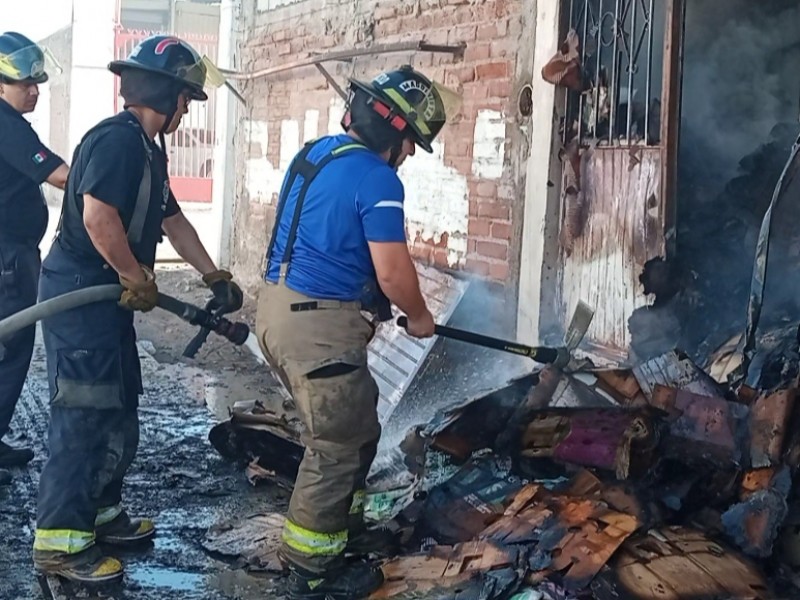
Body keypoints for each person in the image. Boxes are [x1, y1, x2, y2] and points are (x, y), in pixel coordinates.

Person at [32, 34, 243, 583]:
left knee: (118, 402)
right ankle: (60, 541)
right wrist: (134, 275)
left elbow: (171, 218)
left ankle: (100, 513)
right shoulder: (118, 142)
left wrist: (212, 274)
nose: (186, 111)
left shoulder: (148, 147)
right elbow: (99, 218)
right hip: (83, 294)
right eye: (187, 100)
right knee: (83, 412)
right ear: (170, 95)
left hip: (110, 298)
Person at [256, 65, 457, 599]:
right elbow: (393, 271)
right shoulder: (377, 178)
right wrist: (418, 316)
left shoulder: (315, 154)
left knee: (358, 422)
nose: (410, 154)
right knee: (337, 444)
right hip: (318, 325)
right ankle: (311, 568)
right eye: (411, 142)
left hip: (278, 309)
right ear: (392, 131)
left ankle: (336, 530)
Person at [0, 32, 69, 486]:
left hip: (12, 251)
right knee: (10, 345)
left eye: (37, 82)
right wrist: (105, 184)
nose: (35, 89)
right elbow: (58, 174)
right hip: (8, 257)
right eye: (25, 82)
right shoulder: (6, 125)